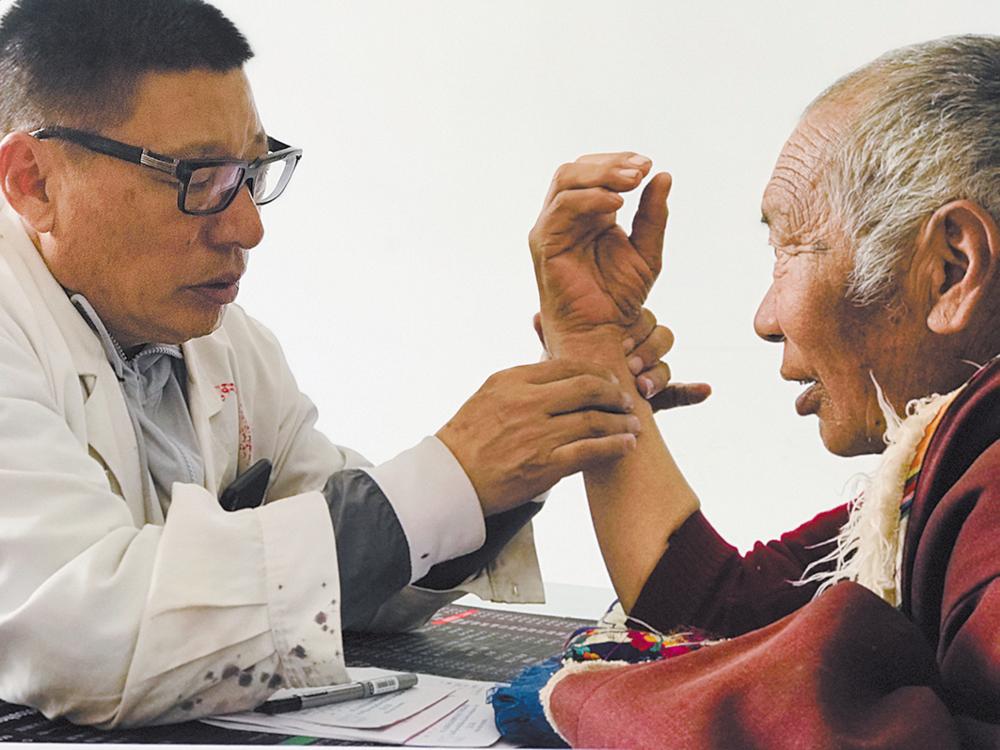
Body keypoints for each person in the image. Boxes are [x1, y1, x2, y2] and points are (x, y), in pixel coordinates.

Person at [0, 0, 696, 729]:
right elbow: (91, 637)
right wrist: (450, 476)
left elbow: (345, 586)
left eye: (251, 172)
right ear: (34, 183)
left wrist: (533, 437)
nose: (248, 226)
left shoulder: (223, 344)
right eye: (200, 178)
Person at [527, 35, 1000, 748]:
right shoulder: (947, 479)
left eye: (791, 250)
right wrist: (593, 345)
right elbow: (726, 616)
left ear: (949, 270)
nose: (765, 318)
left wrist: (585, 699)